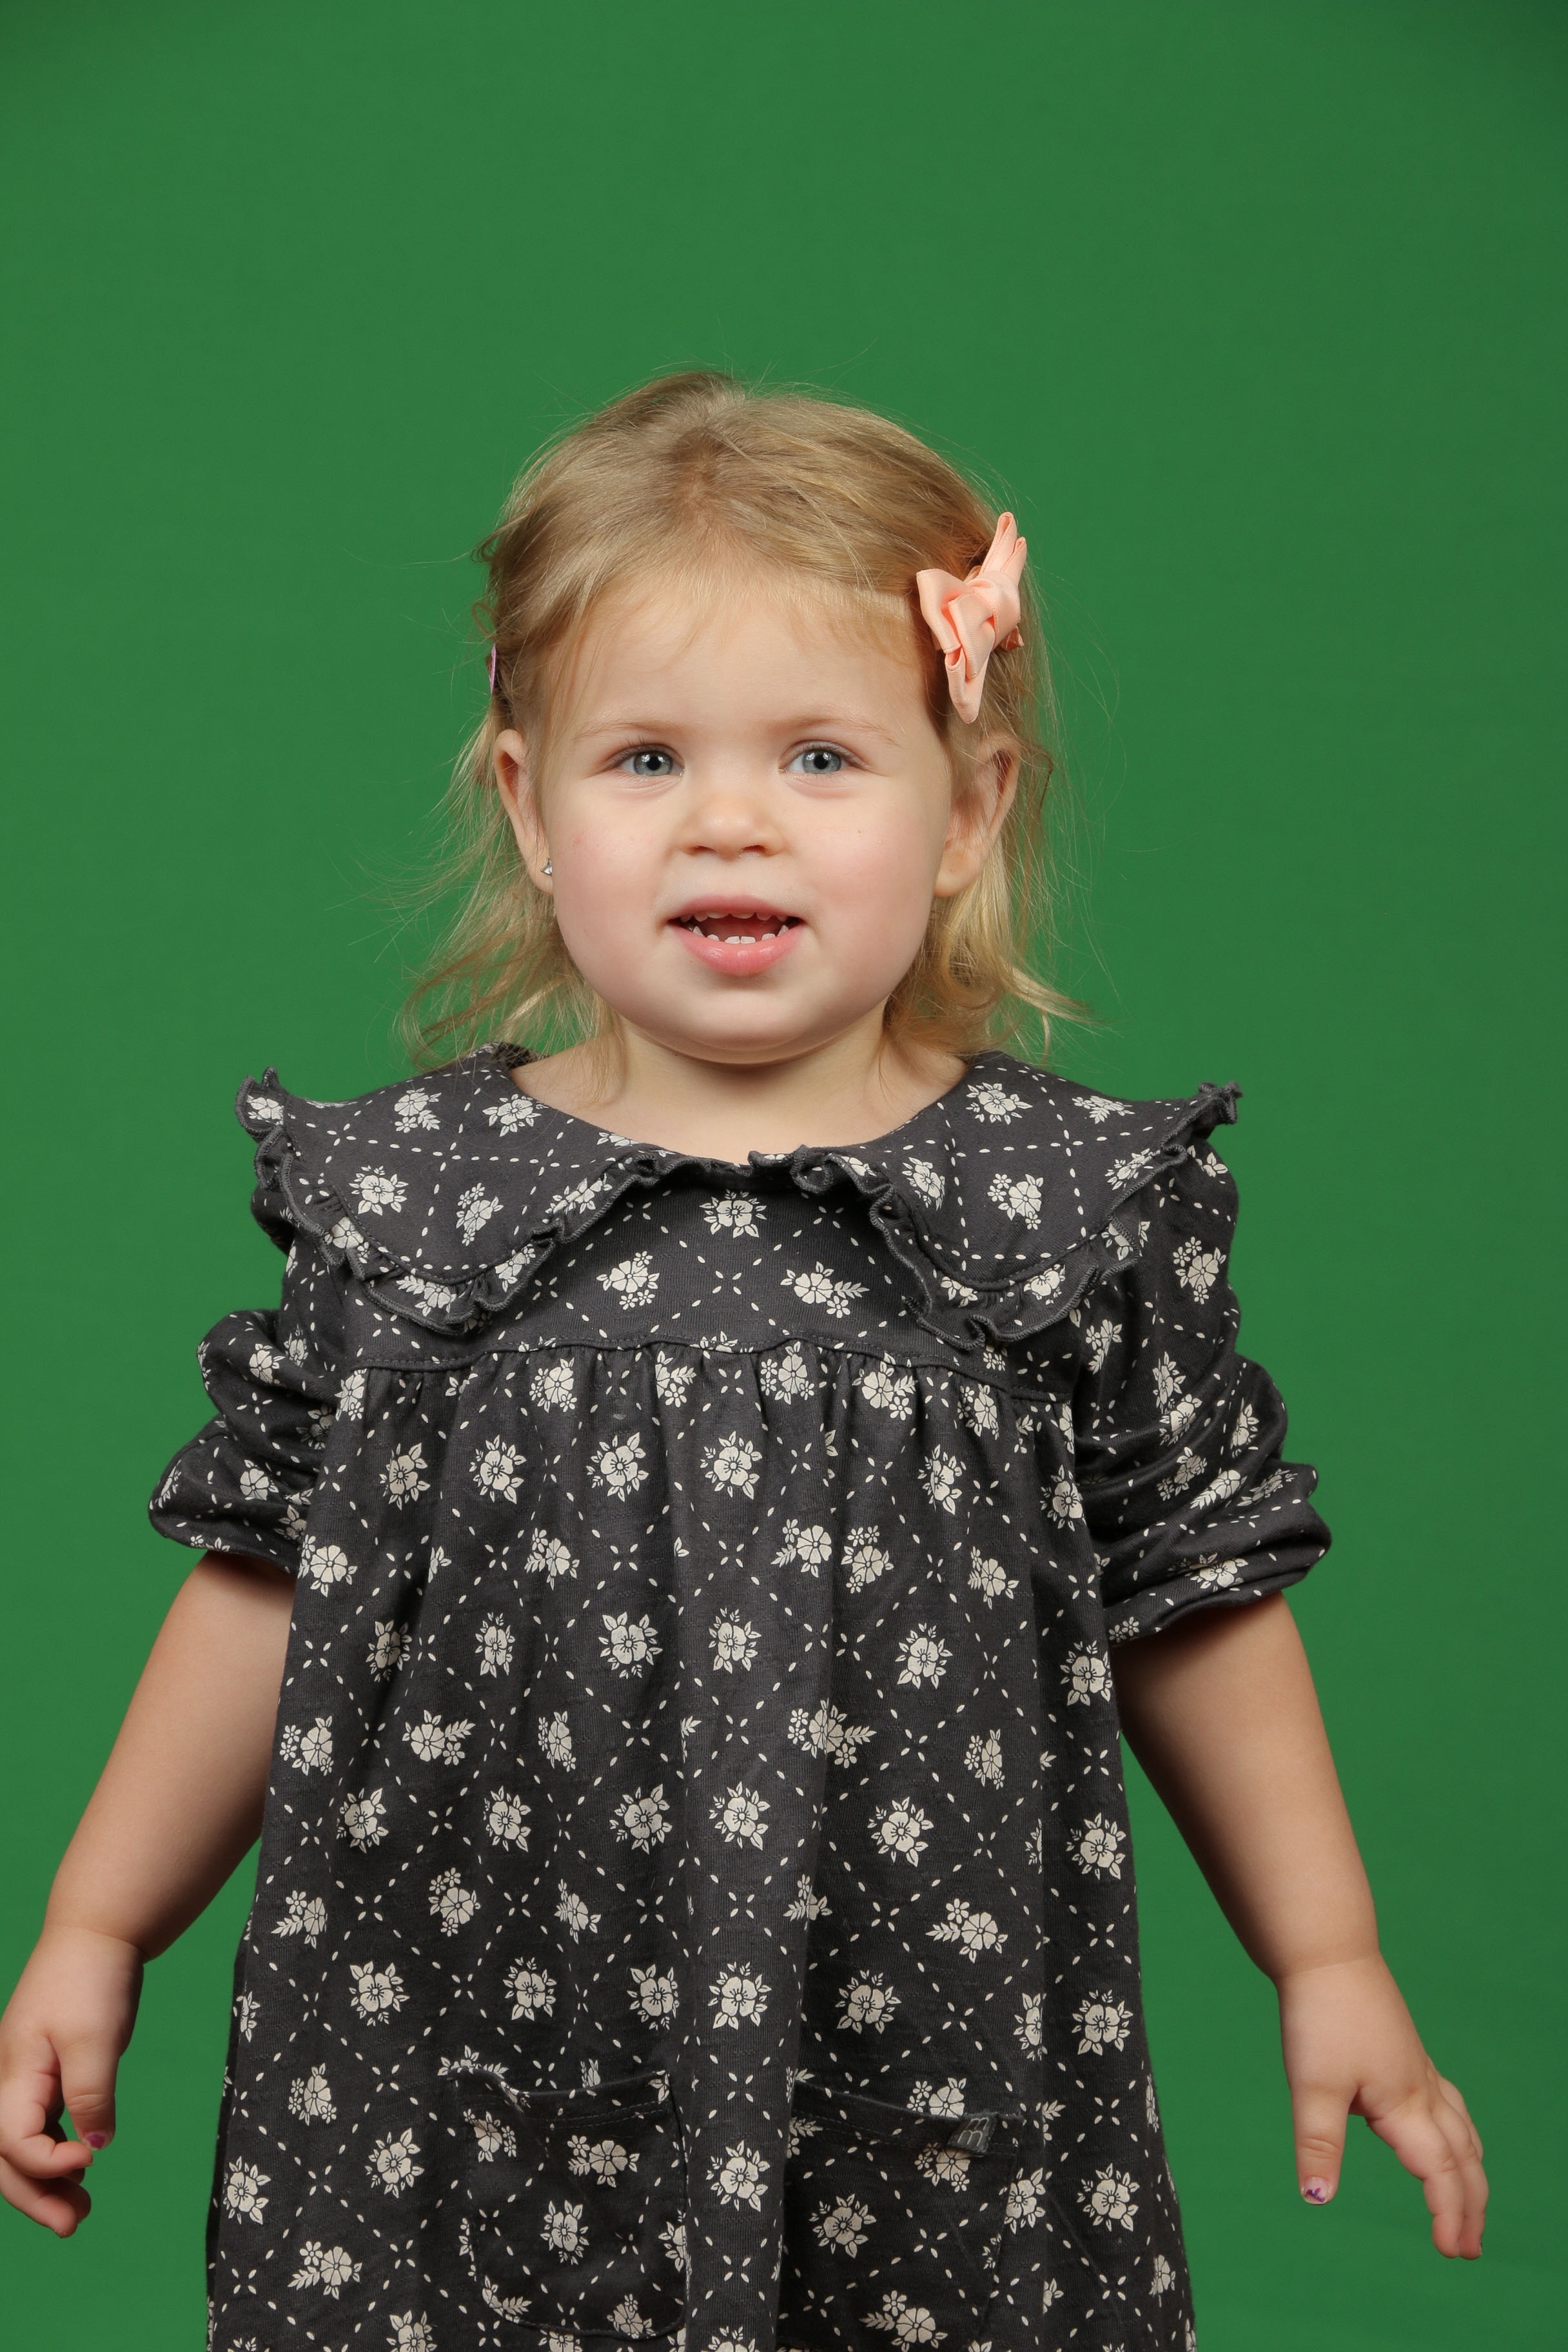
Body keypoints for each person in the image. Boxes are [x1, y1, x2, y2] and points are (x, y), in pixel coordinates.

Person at [0, 373, 1486, 2349]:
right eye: (644, 757)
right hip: (472, 2091)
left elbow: (1195, 1592)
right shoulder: (417, 1204)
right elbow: (270, 1582)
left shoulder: (1054, 1210)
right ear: (527, 806)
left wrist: (1332, 1955)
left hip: (922, 2084)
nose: (730, 819)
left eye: (819, 755)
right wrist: (99, 1922)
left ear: (970, 811)